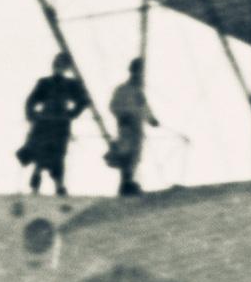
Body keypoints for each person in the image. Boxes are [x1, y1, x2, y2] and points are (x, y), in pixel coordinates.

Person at [18, 56, 91, 196]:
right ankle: (35, 187)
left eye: (62, 65)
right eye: (57, 64)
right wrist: (33, 116)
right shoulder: (44, 83)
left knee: (58, 156)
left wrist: (72, 113)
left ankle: (59, 186)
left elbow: (84, 100)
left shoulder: (71, 84)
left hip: (60, 125)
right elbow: (30, 101)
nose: (59, 68)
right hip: (44, 124)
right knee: (40, 156)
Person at [105, 58, 158, 196]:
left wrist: (151, 120)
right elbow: (113, 106)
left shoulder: (137, 91)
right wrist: (123, 116)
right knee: (127, 155)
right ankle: (126, 184)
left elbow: (143, 107)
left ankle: (127, 183)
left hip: (136, 127)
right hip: (127, 127)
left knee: (134, 156)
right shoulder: (123, 89)